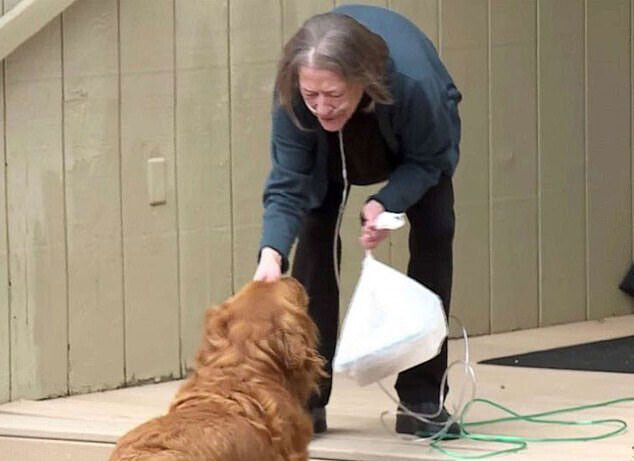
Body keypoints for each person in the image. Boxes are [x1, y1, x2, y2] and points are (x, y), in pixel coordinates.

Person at [253, 4, 462, 437]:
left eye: (332, 95)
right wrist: (271, 255)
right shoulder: (297, 95)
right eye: (312, 95)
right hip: (330, 152)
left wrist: (389, 201)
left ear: (362, 80)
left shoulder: (414, 84)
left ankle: (422, 398)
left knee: (436, 232)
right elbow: (288, 181)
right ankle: (307, 399)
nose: (322, 107)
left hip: (412, 143)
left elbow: (433, 159)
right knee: (314, 240)